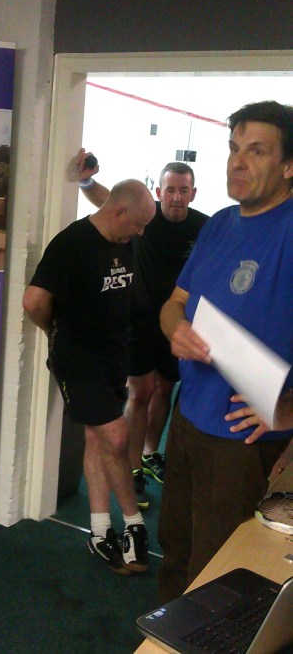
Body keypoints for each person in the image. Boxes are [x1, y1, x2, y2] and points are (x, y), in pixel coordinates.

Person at [158, 100, 293, 602]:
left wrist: (289, 410)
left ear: (288, 165)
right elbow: (174, 304)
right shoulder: (218, 223)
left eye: (256, 151)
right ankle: (165, 632)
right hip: (188, 417)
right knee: (175, 548)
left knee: (215, 574)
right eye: (234, 149)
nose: (237, 162)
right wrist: (176, 329)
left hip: (240, 439)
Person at [23, 179, 156, 575]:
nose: (140, 233)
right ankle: (134, 524)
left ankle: (99, 533)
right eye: (137, 224)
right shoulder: (71, 244)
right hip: (79, 361)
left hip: (113, 357)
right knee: (116, 436)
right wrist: (55, 331)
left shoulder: (123, 239)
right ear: (119, 212)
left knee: (98, 437)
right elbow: (34, 301)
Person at [77, 152, 208, 508]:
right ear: (159, 192)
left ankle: (151, 454)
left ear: (193, 193)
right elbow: (108, 201)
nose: (177, 197)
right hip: (137, 321)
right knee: (141, 392)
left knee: (164, 388)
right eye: (170, 190)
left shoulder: (205, 227)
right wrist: (86, 180)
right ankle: (133, 467)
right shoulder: (145, 217)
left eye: (183, 190)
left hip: (177, 323)